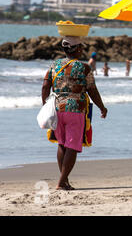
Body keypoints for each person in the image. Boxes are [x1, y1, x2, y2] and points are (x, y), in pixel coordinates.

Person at [41, 36, 107, 190]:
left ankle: (64, 181)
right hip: (75, 110)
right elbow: (92, 90)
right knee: (72, 146)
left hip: (57, 109)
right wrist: (102, 107)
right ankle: (62, 182)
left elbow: (45, 86)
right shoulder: (84, 68)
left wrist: (45, 104)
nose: (83, 50)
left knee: (62, 144)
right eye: (81, 47)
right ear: (76, 49)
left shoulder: (54, 65)